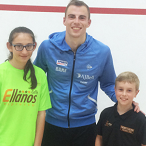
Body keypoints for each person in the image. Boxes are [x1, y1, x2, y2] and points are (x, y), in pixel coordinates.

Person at [34, 0, 140, 146]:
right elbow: (35, 80)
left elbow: (109, 83)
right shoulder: (47, 47)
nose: (76, 22)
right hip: (52, 123)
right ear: (64, 20)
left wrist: (125, 101)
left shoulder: (102, 52)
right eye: (72, 16)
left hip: (85, 126)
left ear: (89, 22)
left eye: (82, 18)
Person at [0, 27, 52, 146]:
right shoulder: (1, 73)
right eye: (18, 46)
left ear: (34, 46)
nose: (24, 51)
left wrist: (37, 144)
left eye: (29, 46)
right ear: (9, 46)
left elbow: (41, 114)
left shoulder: (40, 75)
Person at [95, 71, 146, 146]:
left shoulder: (140, 119)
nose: (124, 94)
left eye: (129, 90)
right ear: (115, 90)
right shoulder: (105, 113)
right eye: (121, 89)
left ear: (136, 93)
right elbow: (99, 137)